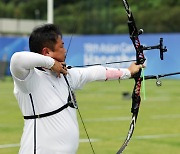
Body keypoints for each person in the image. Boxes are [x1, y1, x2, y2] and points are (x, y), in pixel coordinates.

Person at [10, 24, 143, 154]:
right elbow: (17, 60)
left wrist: (128, 72)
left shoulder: (66, 75)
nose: (65, 50)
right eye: (61, 46)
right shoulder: (29, 78)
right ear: (47, 52)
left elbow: (95, 72)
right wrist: (51, 63)